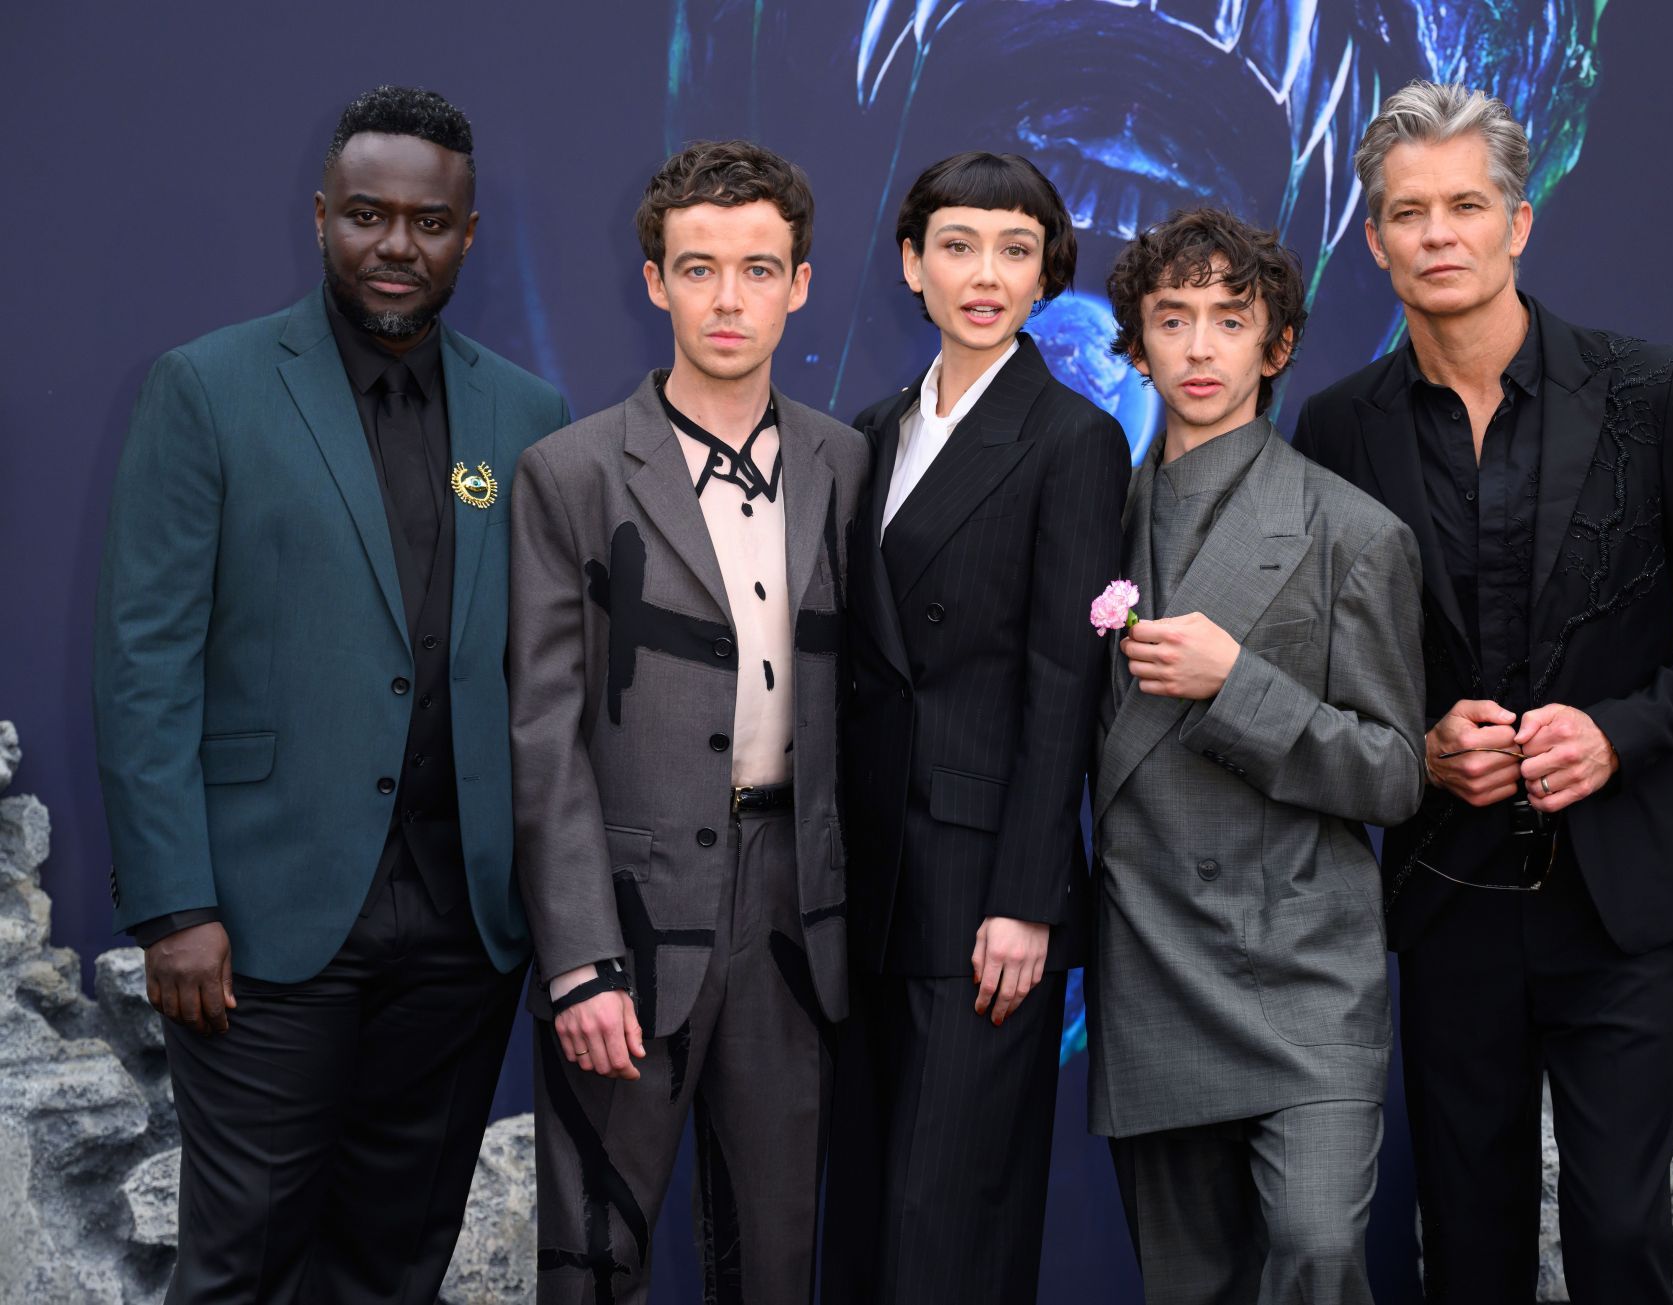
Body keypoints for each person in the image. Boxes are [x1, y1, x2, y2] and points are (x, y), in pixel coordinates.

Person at [1291, 80, 1673, 1303]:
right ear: (1373, 239)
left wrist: (1622, 734)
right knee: (1466, 1244)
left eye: (1467, 205)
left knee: (1619, 1237)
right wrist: (1414, 747)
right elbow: (1311, 657)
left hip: (1623, 899)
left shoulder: (1650, 389)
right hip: (1445, 894)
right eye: (1408, 213)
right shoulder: (1339, 426)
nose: (1438, 235)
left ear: (1520, 221)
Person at [92, 86, 569, 1303]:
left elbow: (539, 673)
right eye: (367, 215)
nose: (396, 245)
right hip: (259, 928)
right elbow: (144, 665)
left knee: (394, 1263)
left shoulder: (527, 415)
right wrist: (172, 908)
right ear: (320, 219)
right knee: (244, 1259)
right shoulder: (207, 389)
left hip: (461, 935)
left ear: (469, 235)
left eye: (428, 221)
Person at [508, 138, 865, 1305]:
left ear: (800, 284)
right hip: (628, 919)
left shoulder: (845, 462)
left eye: (759, 269)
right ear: (655, 280)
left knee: (774, 1257)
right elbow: (543, 730)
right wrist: (575, 959)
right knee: (595, 1253)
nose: (729, 298)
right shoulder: (569, 473)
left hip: (793, 917)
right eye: (699, 268)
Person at [1090, 207, 1425, 1305]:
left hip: (1304, 968)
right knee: (1190, 1288)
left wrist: (1239, 688)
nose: (1197, 348)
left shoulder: (1353, 531)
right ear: (1132, 342)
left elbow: (1392, 772)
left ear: (1276, 346)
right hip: (1153, 961)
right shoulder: (1086, 515)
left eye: (1228, 321)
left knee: (1321, 1250)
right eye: (1170, 319)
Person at [821, 151, 1130, 1305]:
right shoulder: (872, 428)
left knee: (947, 1213)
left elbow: (1066, 684)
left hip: (981, 889)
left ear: (1049, 271)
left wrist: (1027, 900)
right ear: (911, 263)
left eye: (1015, 248)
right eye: (957, 245)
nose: (984, 273)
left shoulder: (1073, 438)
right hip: (865, 877)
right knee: (862, 1201)